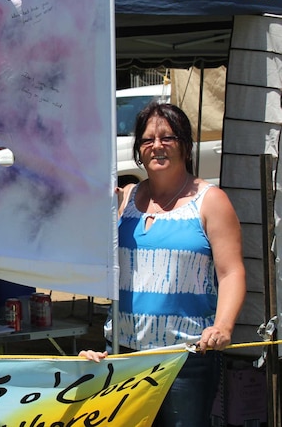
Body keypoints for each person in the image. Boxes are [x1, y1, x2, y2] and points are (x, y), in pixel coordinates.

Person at [82, 102, 246, 427]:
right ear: (138, 151)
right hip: (123, 352)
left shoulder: (212, 201)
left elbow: (232, 273)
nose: (156, 146)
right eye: (147, 140)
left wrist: (224, 326)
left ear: (185, 145)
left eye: (167, 137)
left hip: (186, 358)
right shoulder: (123, 200)